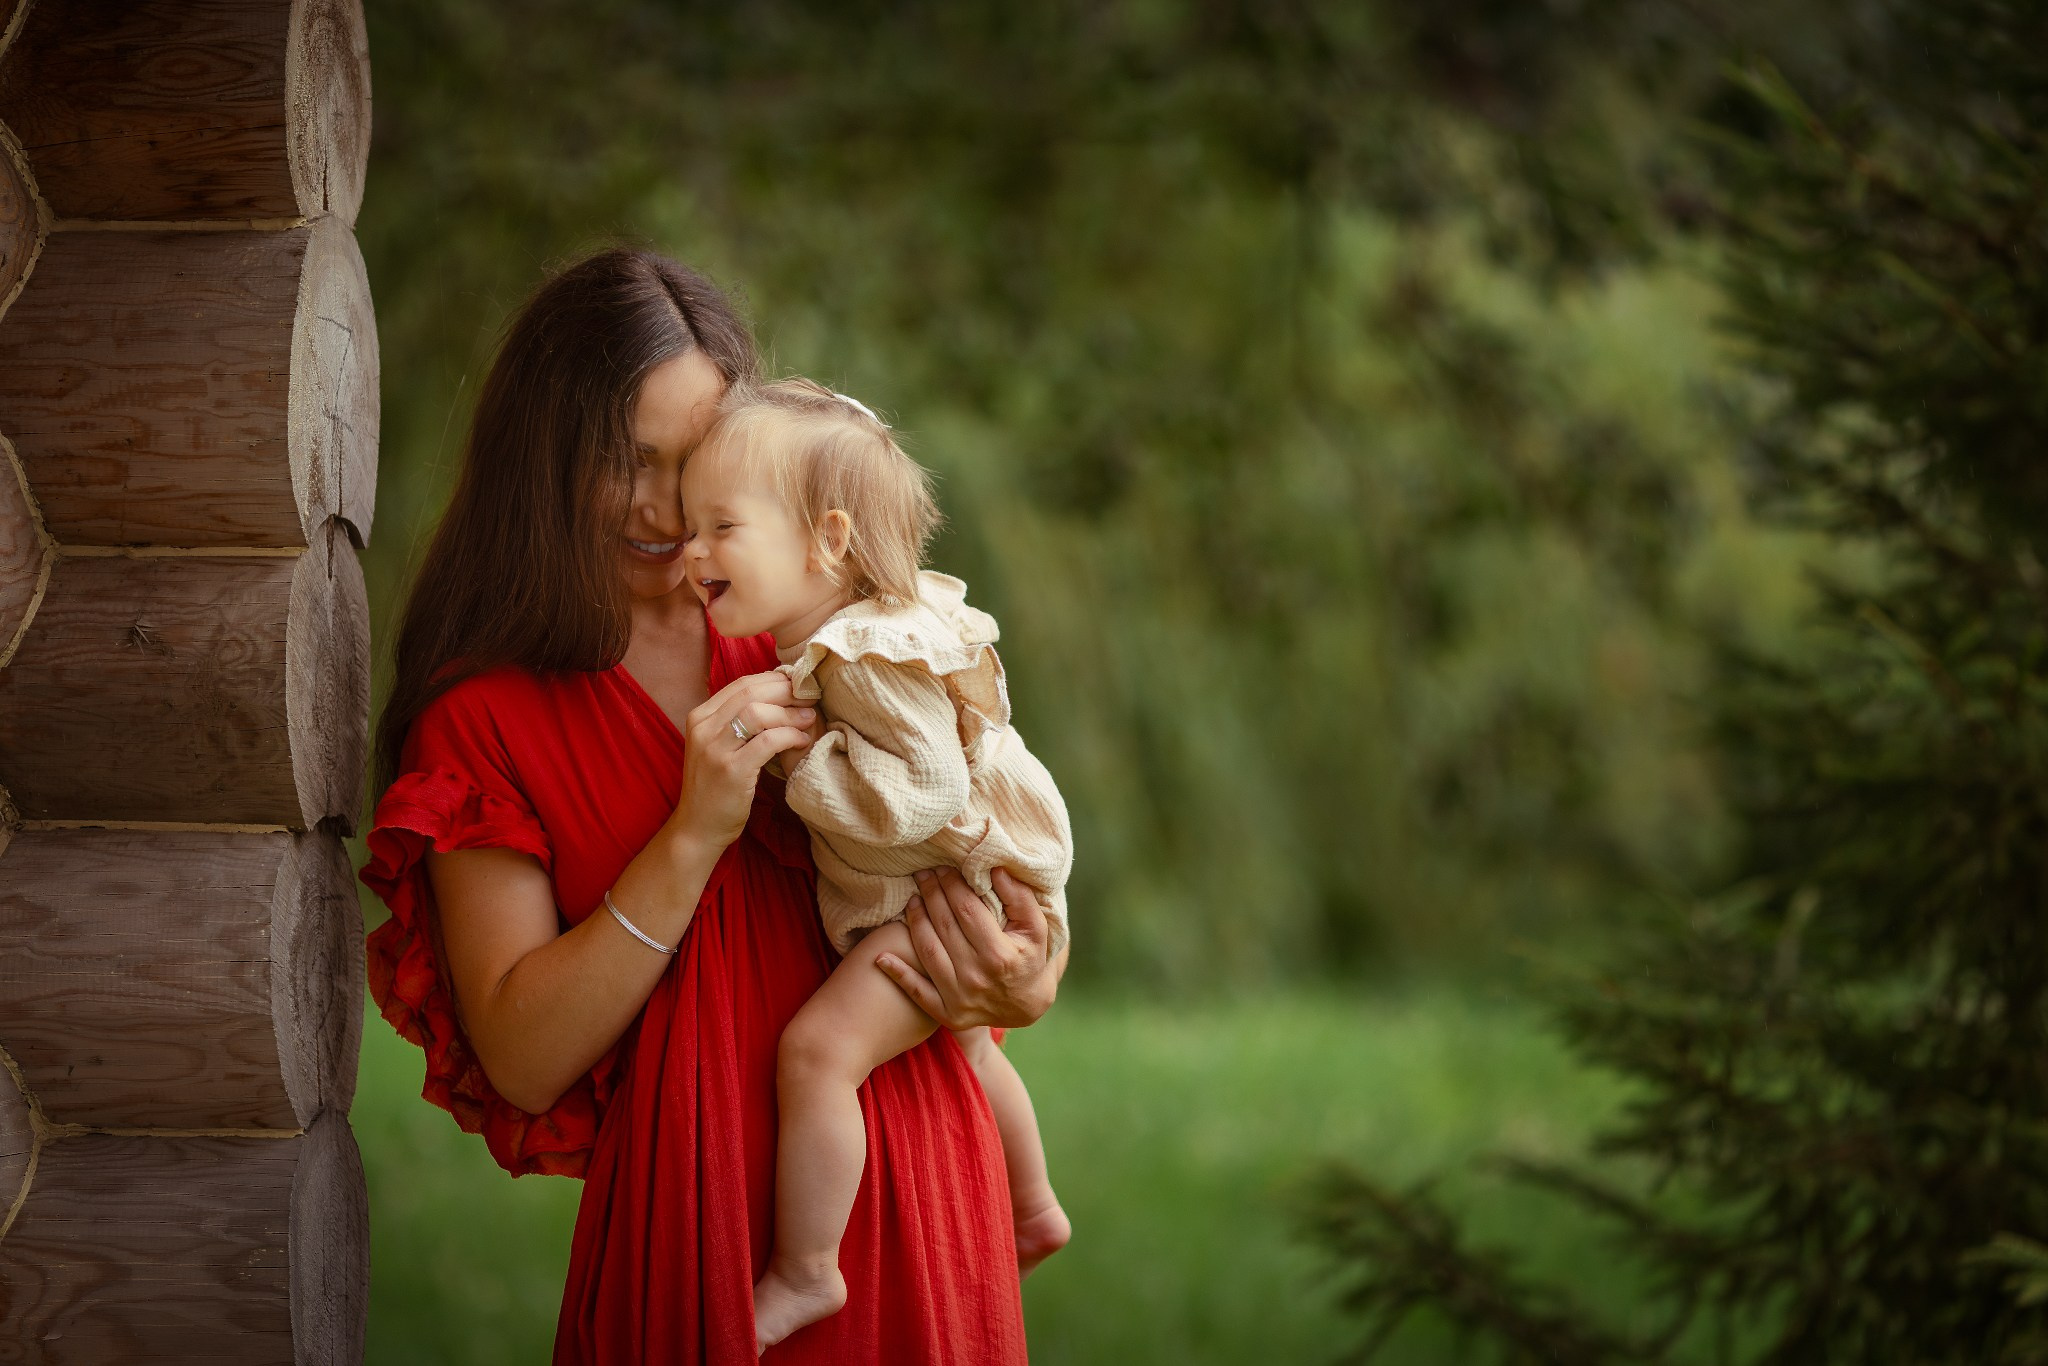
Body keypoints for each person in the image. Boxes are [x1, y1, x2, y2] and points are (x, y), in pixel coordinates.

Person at [359, 248, 1062, 1365]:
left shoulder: (805, 626)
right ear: (543, 460)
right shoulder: (486, 719)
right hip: (701, 1220)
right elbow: (524, 1060)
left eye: (692, 465)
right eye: (622, 461)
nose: (660, 506)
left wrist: (1024, 973)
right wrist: (692, 833)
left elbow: (969, 833)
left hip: (923, 1181)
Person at [675, 379, 1074, 1350]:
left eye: (721, 526)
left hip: (937, 890)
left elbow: (925, 792)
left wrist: (803, 762)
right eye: (690, 525)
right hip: (944, 886)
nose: (693, 551)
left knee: (818, 1055)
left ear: (828, 539)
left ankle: (808, 1269)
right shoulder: (845, 638)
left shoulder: (860, 658)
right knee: (968, 1046)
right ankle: (1031, 1204)